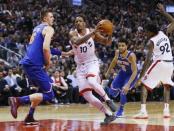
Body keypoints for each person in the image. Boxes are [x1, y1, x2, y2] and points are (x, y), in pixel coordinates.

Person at [8, 10, 55, 125]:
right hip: (34, 64)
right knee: (49, 95)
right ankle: (18, 100)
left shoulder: (36, 28)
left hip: (28, 63)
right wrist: (48, 63)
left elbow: (32, 46)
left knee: (41, 91)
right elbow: (45, 48)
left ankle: (30, 115)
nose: (53, 18)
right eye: (51, 17)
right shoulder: (49, 28)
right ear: (45, 18)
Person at [69, 16, 117, 124]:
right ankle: (108, 114)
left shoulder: (91, 32)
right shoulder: (73, 33)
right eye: (76, 21)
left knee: (92, 81)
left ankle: (108, 100)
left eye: (80, 21)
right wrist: (93, 32)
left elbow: (107, 42)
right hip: (80, 67)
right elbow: (77, 42)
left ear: (84, 23)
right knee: (87, 96)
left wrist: (110, 33)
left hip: (92, 62)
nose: (78, 23)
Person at [134, 22, 174, 119]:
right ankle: (166, 111)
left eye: (147, 32)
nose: (146, 33)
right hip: (170, 64)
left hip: (159, 63)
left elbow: (147, 60)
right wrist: (163, 12)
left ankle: (143, 111)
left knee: (144, 84)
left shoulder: (151, 42)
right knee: (166, 85)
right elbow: (173, 22)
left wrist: (140, 77)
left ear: (151, 32)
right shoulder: (163, 33)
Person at [105, 38, 138, 117]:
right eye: (119, 46)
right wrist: (108, 72)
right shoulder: (117, 53)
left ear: (126, 46)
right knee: (111, 92)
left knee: (123, 90)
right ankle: (117, 92)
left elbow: (135, 71)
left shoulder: (131, 56)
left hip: (131, 75)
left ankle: (121, 110)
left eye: (123, 46)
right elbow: (114, 61)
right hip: (122, 73)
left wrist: (128, 84)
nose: (120, 47)